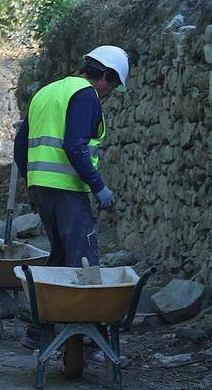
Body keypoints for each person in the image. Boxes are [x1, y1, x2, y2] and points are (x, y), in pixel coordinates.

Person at [13, 45, 130, 267]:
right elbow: (75, 146)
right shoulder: (85, 95)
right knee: (82, 260)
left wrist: (31, 183)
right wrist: (98, 186)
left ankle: (49, 300)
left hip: (41, 189)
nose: (110, 92)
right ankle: (83, 302)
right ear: (105, 76)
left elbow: (20, 144)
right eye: (113, 86)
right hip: (67, 190)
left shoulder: (46, 92)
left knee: (60, 255)